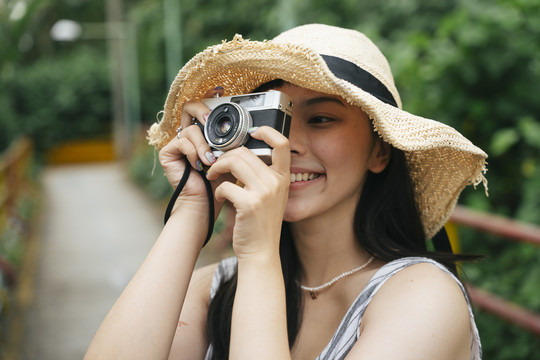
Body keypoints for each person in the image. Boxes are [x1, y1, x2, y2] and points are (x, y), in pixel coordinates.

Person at [85, 24, 488, 359]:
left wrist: (260, 254)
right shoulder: (216, 289)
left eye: (322, 119)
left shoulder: (423, 298)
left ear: (379, 150)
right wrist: (193, 207)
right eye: (274, 117)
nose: (285, 143)